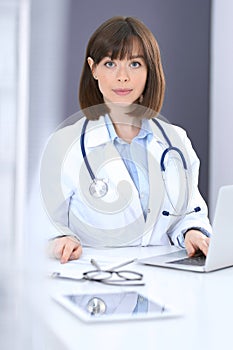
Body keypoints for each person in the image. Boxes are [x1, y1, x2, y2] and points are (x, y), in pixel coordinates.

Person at [43, 16, 212, 264]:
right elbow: (41, 221)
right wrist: (58, 239)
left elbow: (188, 212)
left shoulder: (176, 140)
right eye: (110, 64)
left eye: (134, 64)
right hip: (96, 281)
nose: (123, 77)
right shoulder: (63, 145)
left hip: (166, 282)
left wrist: (192, 232)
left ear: (149, 70)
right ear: (93, 69)